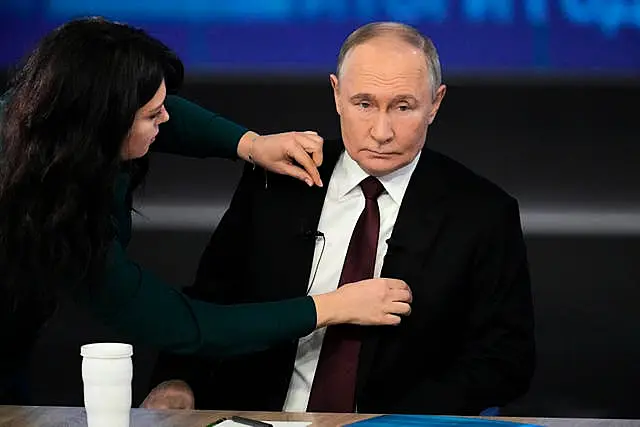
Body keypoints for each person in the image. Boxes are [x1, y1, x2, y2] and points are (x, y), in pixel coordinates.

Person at [0, 17, 413, 404]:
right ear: (105, 125)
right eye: (152, 115)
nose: (167, 117)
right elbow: (186, 325)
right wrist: (331, 307)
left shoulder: (44, 109)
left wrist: (249, 144)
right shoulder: (62, 224)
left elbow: (161, 112)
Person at [147, 22, 536, 415]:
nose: (381, 132)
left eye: (402, 107)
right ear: (336, 94)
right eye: (364, 104)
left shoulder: (483, 213)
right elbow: (208, 303)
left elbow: (505, 359)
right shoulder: (279, 183)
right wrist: (176, 381)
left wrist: (396, 423)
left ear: (435, 103)